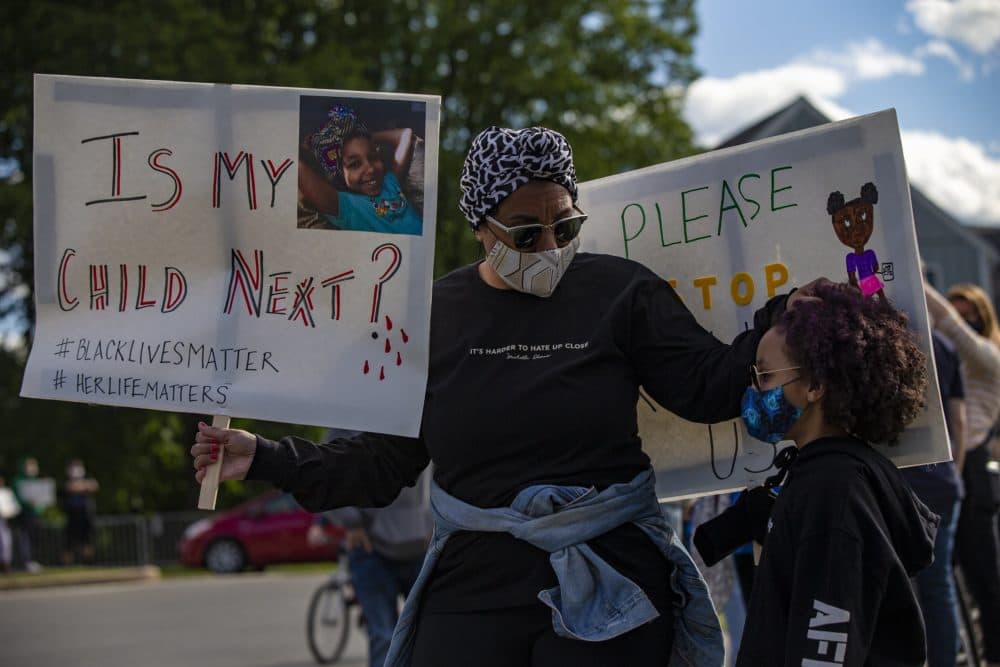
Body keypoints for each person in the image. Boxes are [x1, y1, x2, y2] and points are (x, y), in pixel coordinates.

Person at [192, 125, 816, 666]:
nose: (549, 248)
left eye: (565, 226)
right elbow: (382, 464)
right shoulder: (431, 315)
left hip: (612, 571)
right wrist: (265, 457)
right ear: (480, 231)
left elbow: (707, 387)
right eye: (524, 233)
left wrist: (780, 323)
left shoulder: (622, 293)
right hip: (476, 575)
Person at [735, 282, 936, 665]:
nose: (754, 390)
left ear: (815, 386)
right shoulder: (825, 475)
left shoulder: (833, 493)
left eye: (765, 377)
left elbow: (826, 647)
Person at [925, 281, 1000, 667]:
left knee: (981, 574)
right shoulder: (947, 357)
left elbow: (955, 330)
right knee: (944, 575)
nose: (959, 320)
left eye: (969, 312)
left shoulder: (988, 356)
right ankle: (964, 652)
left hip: (971, 467)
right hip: (951, 463)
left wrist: (916, 280)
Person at [309, 445, 432, 667]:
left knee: (429, 633)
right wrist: (351, 521)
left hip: (418, 542)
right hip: (371, 547)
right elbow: (324, 469)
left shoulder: (427, 414)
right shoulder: (349, 420)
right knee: (384, 635)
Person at [901, 328, 967, 667]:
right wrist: (954, 471)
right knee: (938, 585)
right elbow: (959, 420)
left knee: (911, 588)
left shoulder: (884, 336)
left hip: (906, 478)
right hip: (941, 478)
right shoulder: (941, 342)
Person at [298, 103, 422, 235]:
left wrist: (365, 137)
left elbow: (404, 134)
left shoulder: (390, 182)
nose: (370, 170)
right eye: (355, 164)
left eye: (373, 157)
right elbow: (299, 169)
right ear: (339, 173)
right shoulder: (346, 206)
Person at [62, 459, 99, 565]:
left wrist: (82, 486)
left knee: (88, 539)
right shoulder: (66, 480)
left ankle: (88, 562)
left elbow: (94, 486)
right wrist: (84, 486)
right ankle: (67, 564)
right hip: (72, 515)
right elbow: (71, 487)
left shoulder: (88, 477)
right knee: (69, 541)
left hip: (86, 514)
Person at [11, 457, 44, 572]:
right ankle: (26, 561)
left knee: (35, 538)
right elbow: (17, 499)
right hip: (24, 515)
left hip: (35, 514)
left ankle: (34, 560)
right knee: (25, 538)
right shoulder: (18, 481)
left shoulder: (35, 481)